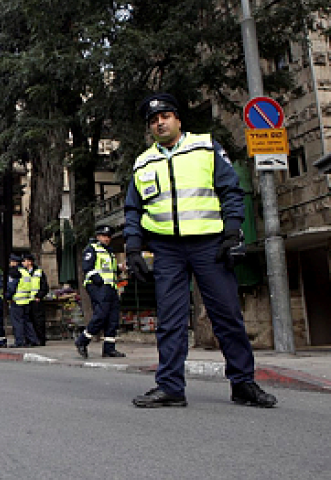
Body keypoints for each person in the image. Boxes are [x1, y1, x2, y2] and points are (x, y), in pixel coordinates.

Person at [124, 92, 276, 408]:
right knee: (170, 320)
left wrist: (234, 230)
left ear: (178, 119)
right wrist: (133, 248)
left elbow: (230, 190)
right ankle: (170, 387)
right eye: (153, 120)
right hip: (166, 249)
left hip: (210, 244)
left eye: (164, 116)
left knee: (227, 315)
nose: (159, 123)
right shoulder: (143, 163)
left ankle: (243, 384)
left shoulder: (205, 147)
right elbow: (133, 210)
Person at [75, 225, 126, 359]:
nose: (106, 239)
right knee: (101, 315)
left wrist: (120, 268)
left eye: (108, 236)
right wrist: (99, 281)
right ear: (98, 236)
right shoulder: (92, 249)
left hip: (111, 287)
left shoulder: (109, 252)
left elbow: (112, 270)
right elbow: (88, 268)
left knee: (113, 318)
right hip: (98, 287)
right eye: (104, 236)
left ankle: (109, 349)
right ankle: (82, 341)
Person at [7, 254, 39, 348]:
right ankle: (33, 340)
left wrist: (8, 297)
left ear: (14, 262)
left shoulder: (14, 272)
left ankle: (19, 341)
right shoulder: (25, 272)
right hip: (26, 300)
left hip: (17, 301)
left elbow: (12, 287)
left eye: (11, 261)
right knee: (27, 322)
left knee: (18, 322)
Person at [23, 254, 49, 346]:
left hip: (36, 301)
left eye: (25, 261)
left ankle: (40, 340)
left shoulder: (39, 272)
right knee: (28, 321)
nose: (23, 263)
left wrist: (39, 296)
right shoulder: (23, 272)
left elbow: (44, 287)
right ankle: (30, 340)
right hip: (26, 300)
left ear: (30, 262)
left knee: (38, 321)